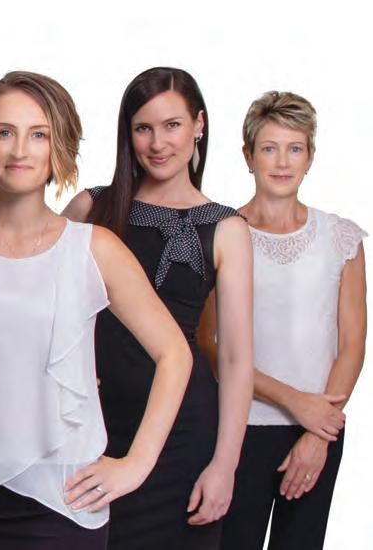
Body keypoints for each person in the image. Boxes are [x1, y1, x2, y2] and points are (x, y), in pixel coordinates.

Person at [0, 71, 192, 549]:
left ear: (61, 144)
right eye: (5, 132)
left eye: (38, 134)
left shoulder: (93, 248)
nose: (20, 150)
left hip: (62, 499)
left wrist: (137, 464)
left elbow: (175, 354)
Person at [62, 67, 254, 550]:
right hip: (92, 422)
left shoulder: (227, 228)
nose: (157, 143)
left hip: (182, 436)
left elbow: (235, 358)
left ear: (199, 125)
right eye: (143, 128)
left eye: (172, 125)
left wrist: (225, 465)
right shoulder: (90, 207)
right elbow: (42, 307)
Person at [210, 91, 365, 550]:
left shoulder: (341, 238)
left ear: (310, 157)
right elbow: (211, 348)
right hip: (240, 427)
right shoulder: (222, 234)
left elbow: (352, 343)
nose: (282, 162)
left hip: (319, 430)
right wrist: (295, 402)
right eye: (269, 148)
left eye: (294, 148)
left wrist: (319, 430)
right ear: (248, 156)